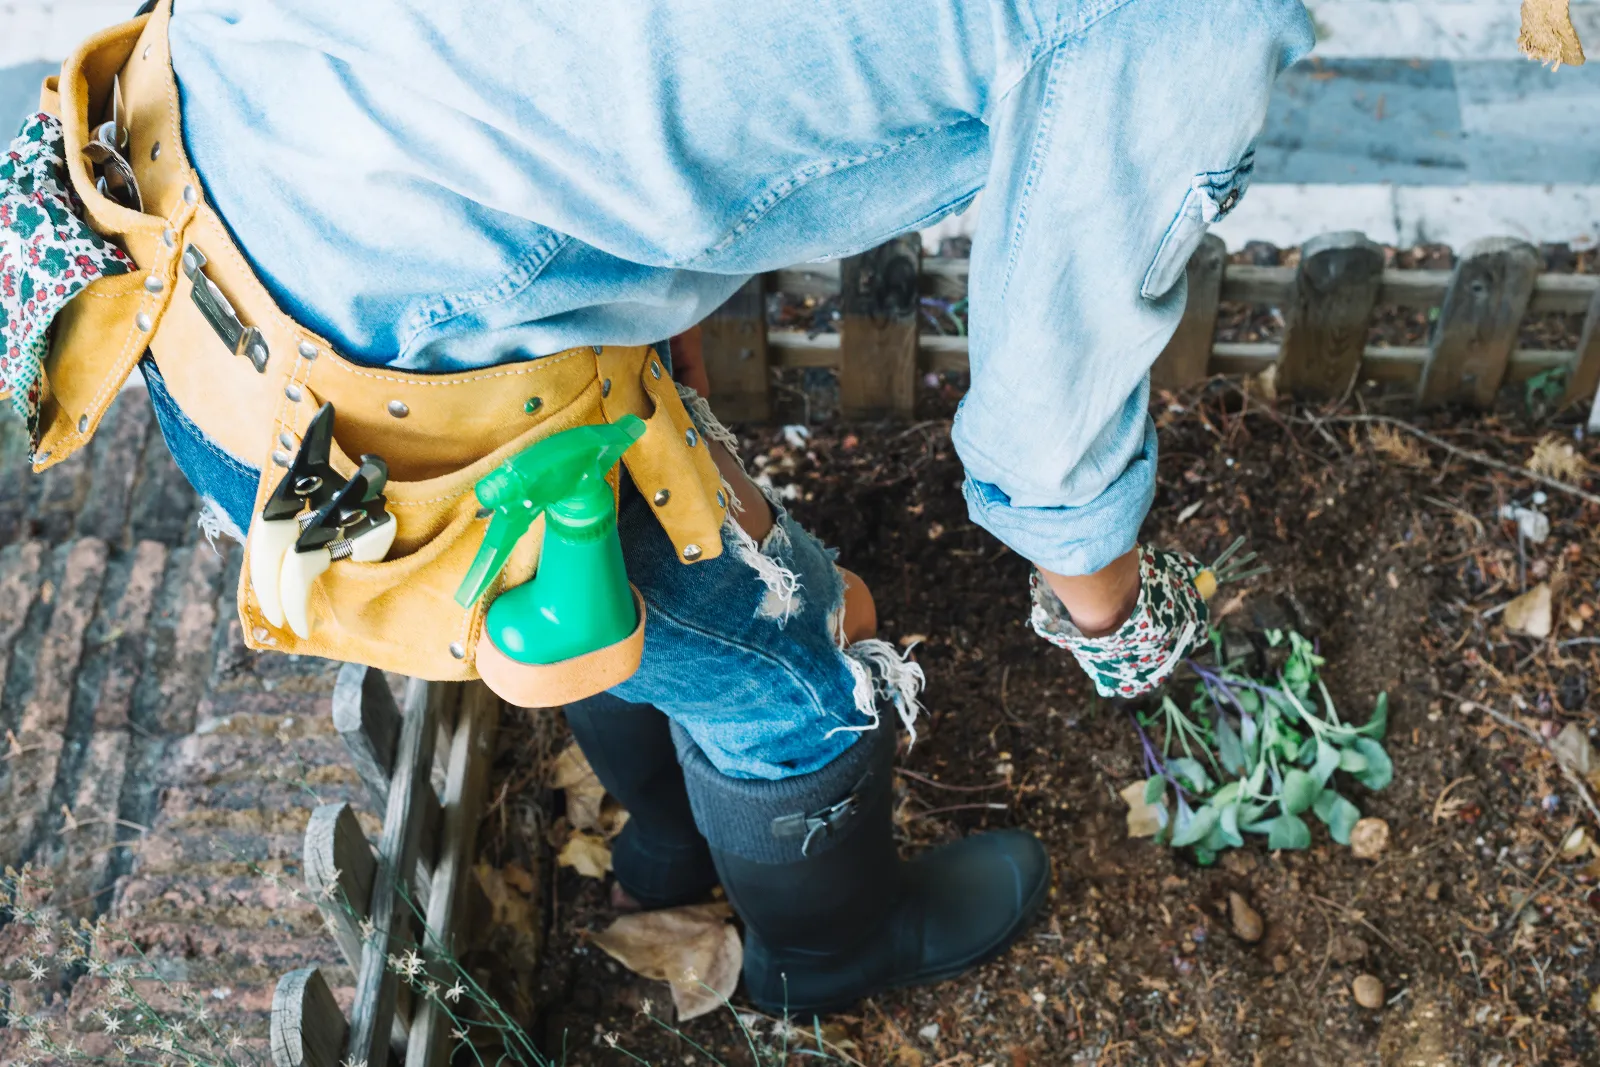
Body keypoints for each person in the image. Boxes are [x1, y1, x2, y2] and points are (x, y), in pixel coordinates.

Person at [7, 0, 1315, 1016]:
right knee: (804, 661)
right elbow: (1051, 423)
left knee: (600, 588)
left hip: (200, 181)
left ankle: (671, 846)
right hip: (386, 397)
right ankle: (831, 953)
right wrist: (1111, 610)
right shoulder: (1163, 21)